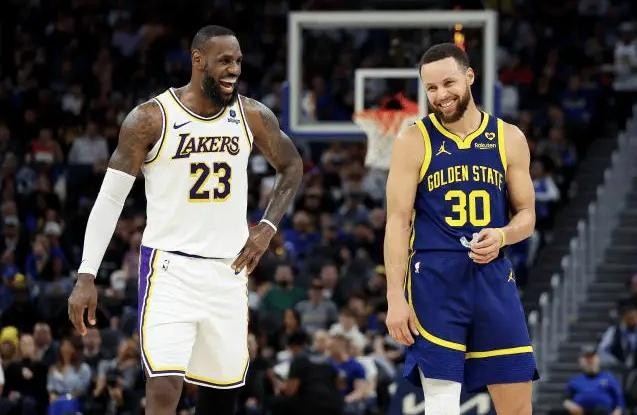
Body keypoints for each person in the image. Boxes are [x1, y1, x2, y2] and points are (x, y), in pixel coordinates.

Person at [67, 25, 303, 415]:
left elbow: (292, 165)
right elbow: (110, 198)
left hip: (228, 270)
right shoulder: (150, 118)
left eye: (238, 61)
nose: (233, 69)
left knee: (220, 396)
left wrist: (267, 227)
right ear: (198, 60)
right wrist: (86, 274)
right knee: (164, 388)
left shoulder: (252, 115)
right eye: (224, 60)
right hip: (169, 269)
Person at [384, 43, 538, 415]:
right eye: (431, 88)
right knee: (442, 406)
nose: (441, 95)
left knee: (518, 408)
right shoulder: (413, 139)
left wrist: (502, 235)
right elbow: (398, 222)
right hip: (434, 279)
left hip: (492, 276)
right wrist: (394, 297)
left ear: (469, 76)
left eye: (448, 83)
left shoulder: (509, 137)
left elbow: (527, 216)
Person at [556, 346, 624, 415]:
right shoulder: (575, 381)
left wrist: (617, 412)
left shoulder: (609, 378)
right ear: (580, 361)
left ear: (598, 359)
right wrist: (570, 405)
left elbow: (619, 401)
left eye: (592, 357)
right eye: (586, 358)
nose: (589, 360)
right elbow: (565, 399)